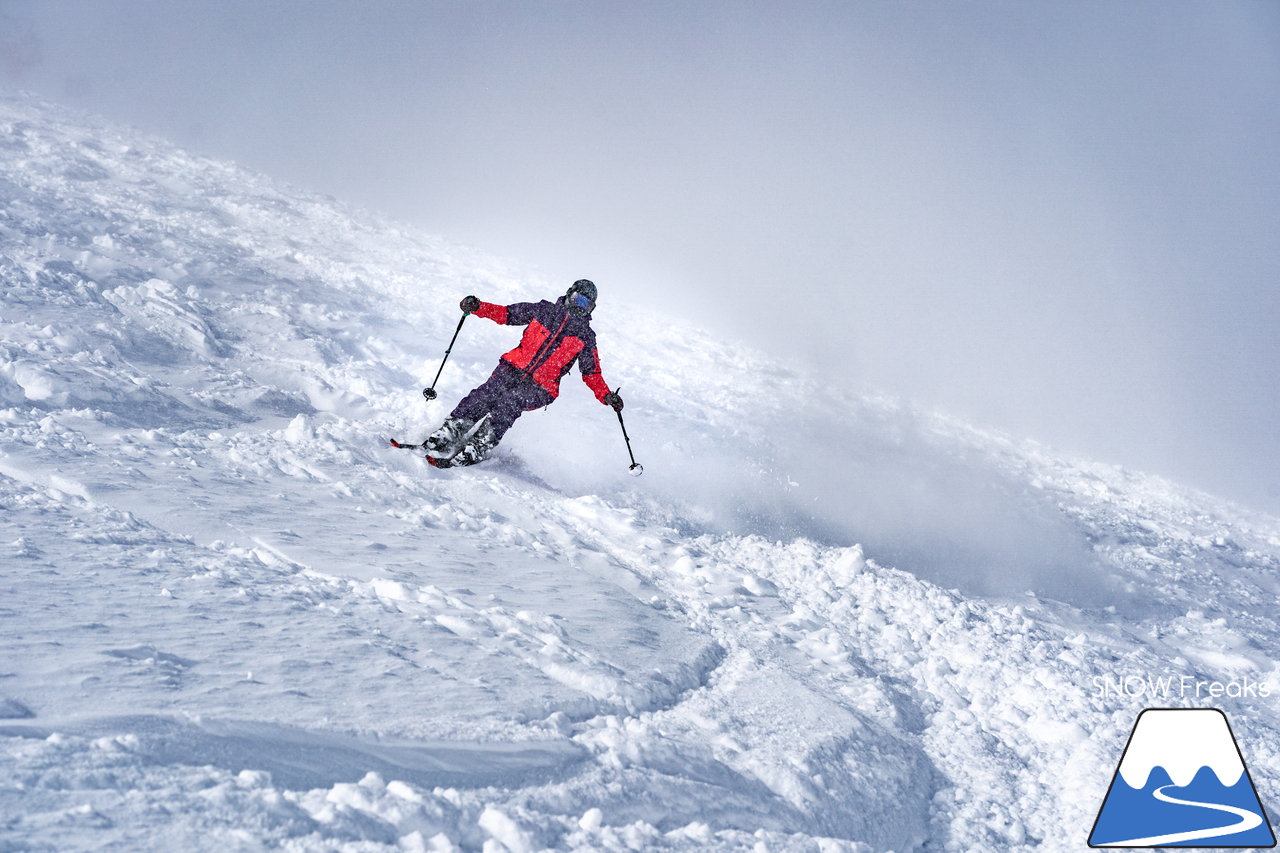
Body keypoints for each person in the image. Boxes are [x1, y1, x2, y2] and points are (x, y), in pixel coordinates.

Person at [423, 279, 624, 467]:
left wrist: (606, 395)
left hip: (542, 387)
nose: (581, 307)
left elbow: (592, 373)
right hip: (512, 368)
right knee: (486, 394)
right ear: (569, 294)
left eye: (586, 305)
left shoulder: (586, 336)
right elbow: (506, 314)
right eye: (578, 300)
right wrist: (478, 307)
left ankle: (478, 445)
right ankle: (450, 432)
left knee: (511, 402)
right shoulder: (543, 310)